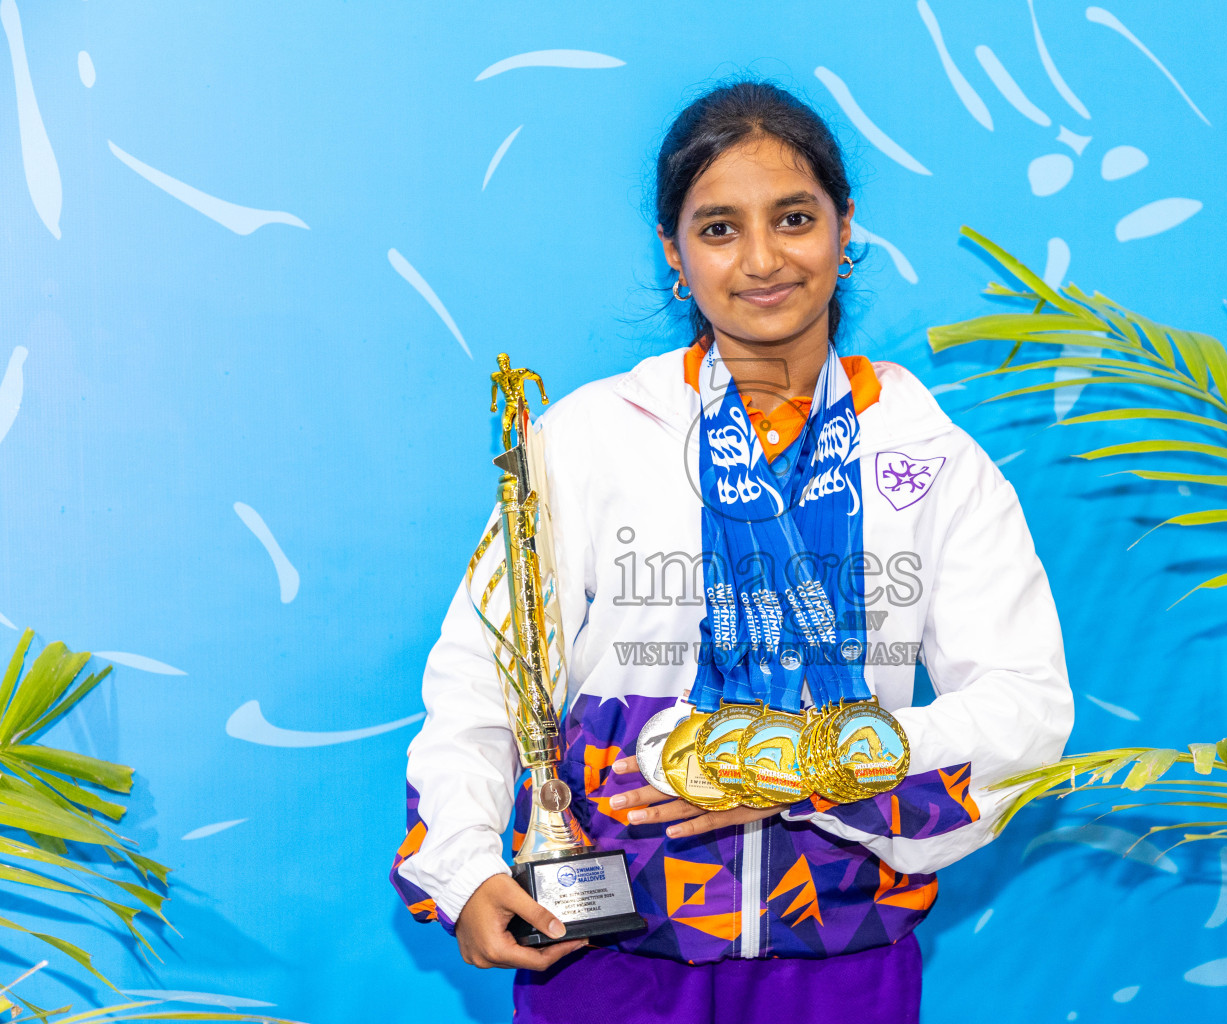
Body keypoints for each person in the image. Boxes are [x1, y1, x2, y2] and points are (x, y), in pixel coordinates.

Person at [390, 79, 1072, 1024]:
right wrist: (463, 863)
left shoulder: (929, 455)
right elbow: (485, 671)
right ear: (675, 252)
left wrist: (796, 768)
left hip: (840, 958)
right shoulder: (593, 438)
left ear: (844, 229)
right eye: (718, 228)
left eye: (793, 218)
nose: (761, 259)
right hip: (611, 953)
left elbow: (1027, 708)